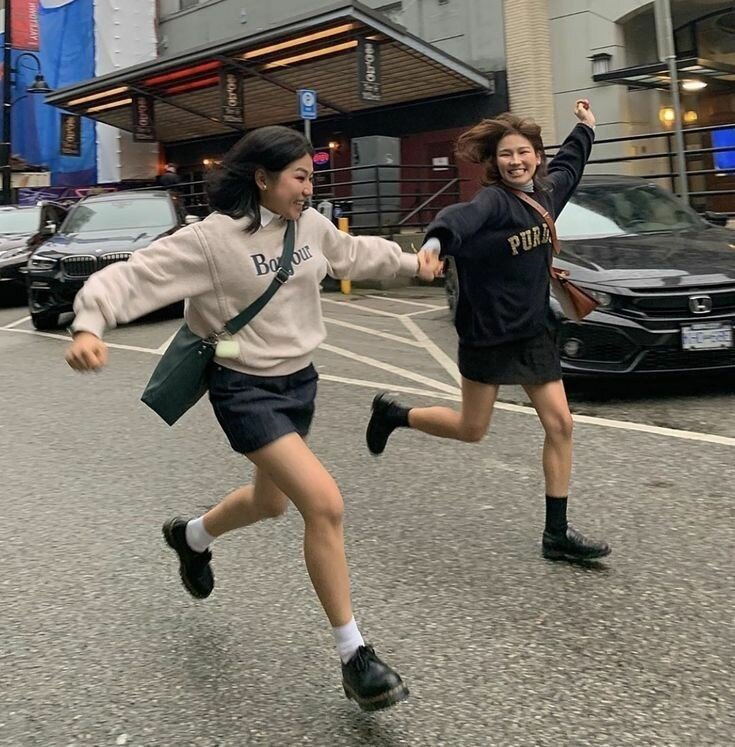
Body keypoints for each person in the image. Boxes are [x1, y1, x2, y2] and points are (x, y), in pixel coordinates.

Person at [65, 125, 438, 711]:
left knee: (271, 503)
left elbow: (355, 254)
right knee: (324, 504)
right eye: (299, 177)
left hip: (299, 383)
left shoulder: (309, 226)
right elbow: (135, 275)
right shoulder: (210, 240)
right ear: (261, 178)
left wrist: (414, 263)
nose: (309, 189)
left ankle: (191, 537)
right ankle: (355, 656)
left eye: (312, 177)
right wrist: (90, 323)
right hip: (244, 389)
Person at [365, 100, 611, 563]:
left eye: (523, 152)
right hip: (488, 332)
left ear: (536, 155)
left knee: (561, 424)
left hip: (533, 329)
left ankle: (556, 534)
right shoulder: (494, 201)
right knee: (471, 428)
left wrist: (586, 126)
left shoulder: (547, 193)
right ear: (495, 162)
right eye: (506, 155)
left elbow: (572, 161)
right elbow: (458, 219)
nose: (516, 161)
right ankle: (395, 415)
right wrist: (433, 245)